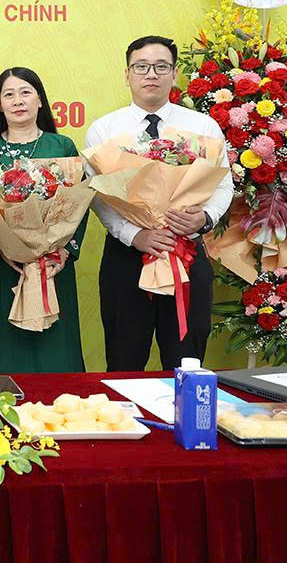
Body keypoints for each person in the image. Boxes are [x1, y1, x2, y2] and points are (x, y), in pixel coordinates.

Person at [85, 35, 234, 371]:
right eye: (141, 66)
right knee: (124, 361)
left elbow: (224, 184)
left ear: (174, 73)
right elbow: (98, 194)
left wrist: (205, 219)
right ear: (127, 75)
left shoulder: (203, 126)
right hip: (128, 258)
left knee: (187, 361)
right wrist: (134, 234)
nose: (151, 74)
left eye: (161, 66)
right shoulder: (104, 129)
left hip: (187, 253)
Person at [0, 68, 87, 374]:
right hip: (1, 268)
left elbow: (79, 204)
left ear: (40, 100)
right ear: (0, 105)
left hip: (51, 267)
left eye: (25, 93)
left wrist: (64, 252)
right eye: (9, 95)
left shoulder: (62, 147)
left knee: (54, 355)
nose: (18, 101)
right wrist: (3, 248)